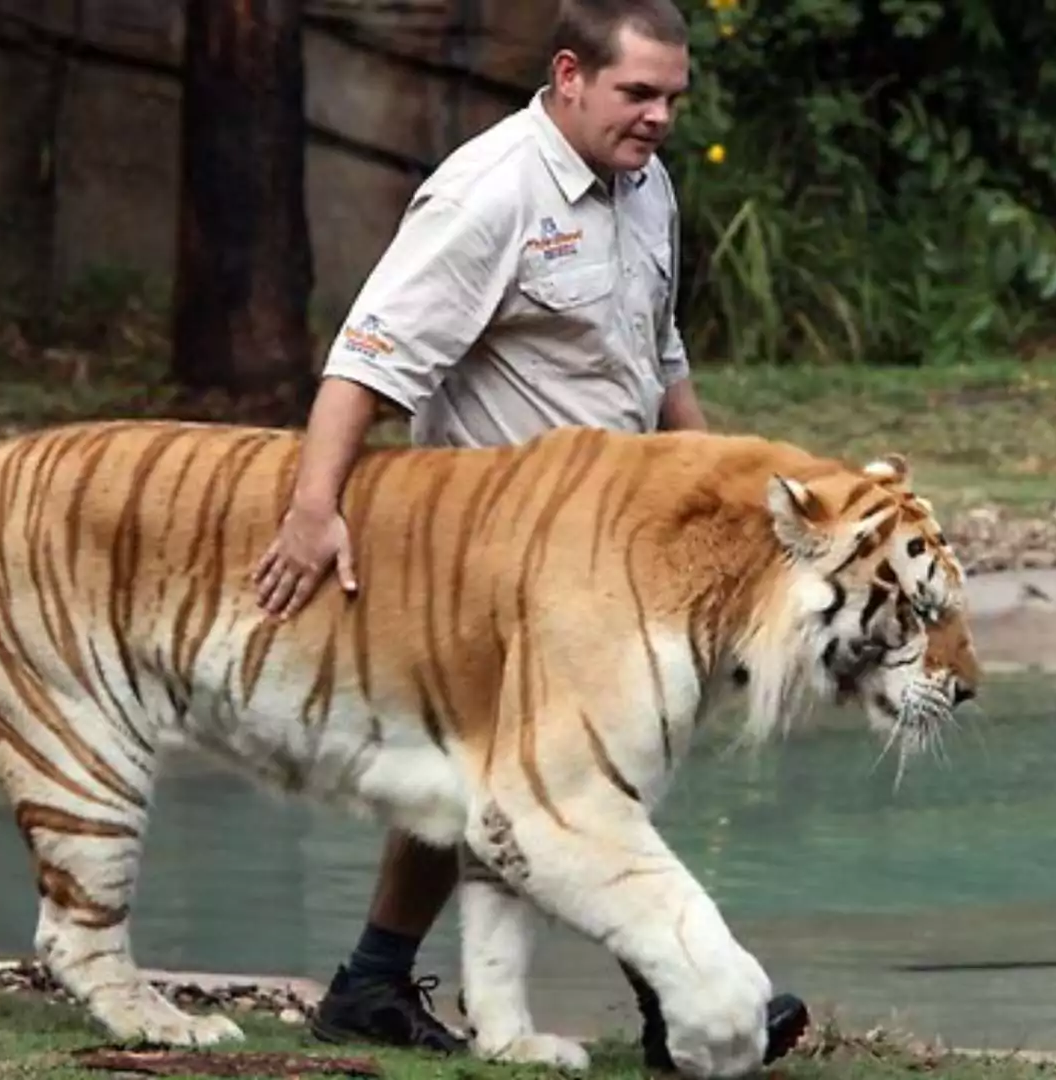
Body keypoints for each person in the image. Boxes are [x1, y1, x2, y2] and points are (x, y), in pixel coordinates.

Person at [250, 0, 809, 1068]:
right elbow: (368, 355)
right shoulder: (487, 191)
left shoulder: (647, 184)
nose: (658, 119)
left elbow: (661, 352)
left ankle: (372, 981)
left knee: (477, 780)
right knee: (593, 779)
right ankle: (680, 1007)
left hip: (621, 541)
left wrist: (722, 482)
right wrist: (314, 512)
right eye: (637, 93)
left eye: (673, 100)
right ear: (567, 74)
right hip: (509, 554)